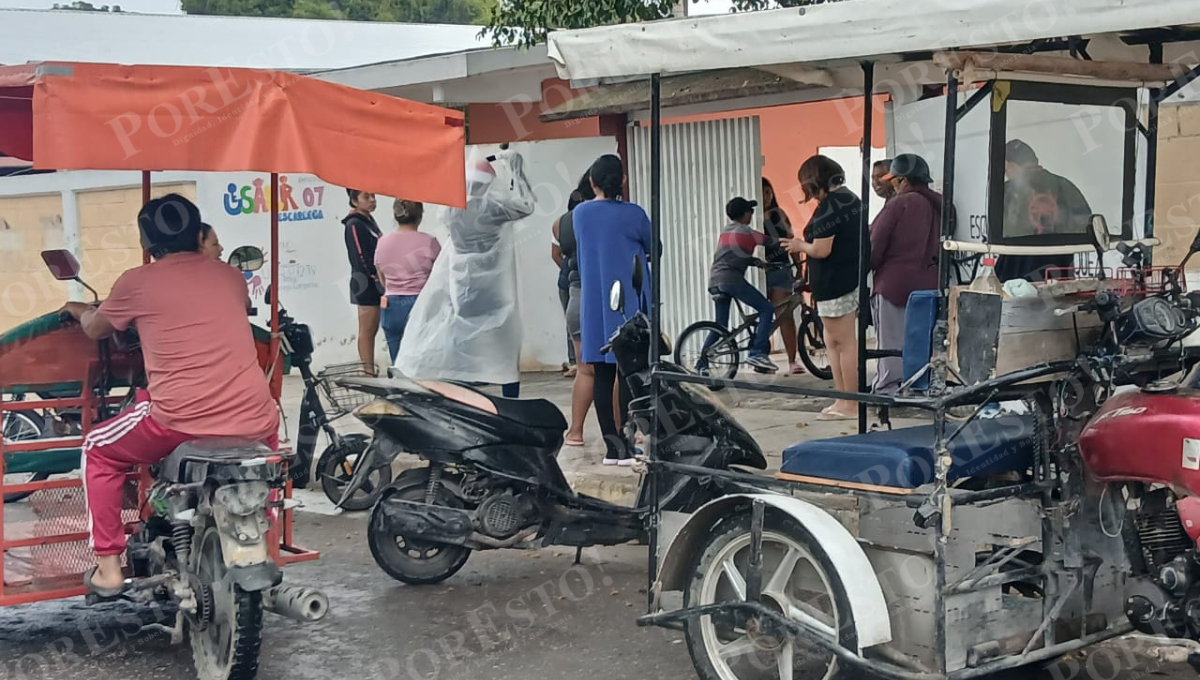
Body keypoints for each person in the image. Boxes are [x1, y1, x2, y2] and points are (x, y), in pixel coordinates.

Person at [61, 194, 279, 596]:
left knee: (96, 447)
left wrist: (77, 310)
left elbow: (95, 328)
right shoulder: (230, 277)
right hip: (256, 417)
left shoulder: (135, 282)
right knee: (264, 450)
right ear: (198, 235)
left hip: (177, 421)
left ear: (147, 245)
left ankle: (108, 568)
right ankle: (263, 539)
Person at [397, 149, 536, 399]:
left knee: (462, 343)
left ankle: (462, 393)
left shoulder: (450, 211)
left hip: (462, 285)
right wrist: (515, 170)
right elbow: (526, 205)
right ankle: (509, 397)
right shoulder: (491, 208)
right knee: (503, 346)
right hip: (495, 288)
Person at [574, 154, 653, 466]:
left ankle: (612, 447)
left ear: (593, 182)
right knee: (629, 372)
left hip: (594, 303)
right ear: (622, 181)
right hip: (628, 302)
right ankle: (631, 437)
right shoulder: (635, 214)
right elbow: (652, 247)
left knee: (602, 374)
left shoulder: (581, 214)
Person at [782, 155, 863, 420]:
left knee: (842, 343)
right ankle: (843, 399)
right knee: (835, 341)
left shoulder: (833, 205)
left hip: (837, 283)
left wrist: (798, 245)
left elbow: (820, 248)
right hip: (842, 281)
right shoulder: (848, 200)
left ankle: (850, 403)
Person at [869, 154, 941, 395]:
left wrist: (866, 267)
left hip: (893, 284)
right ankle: (918, 385)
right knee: (919, 341)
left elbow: (875, 243)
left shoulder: (899, 204)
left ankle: (887, 389)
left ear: (902, 180)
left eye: (893, 181)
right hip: (928, 284)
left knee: (890, 342)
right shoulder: (941, 204)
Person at [701, 197, 779, 374]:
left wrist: (756, 262)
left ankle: (702, 364)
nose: (751, 214)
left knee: (720, 326)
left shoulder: (726, 232)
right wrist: (793, 242)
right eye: (750, 211)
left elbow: (732, 256)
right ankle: (758, 352)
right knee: (767, 309)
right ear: (744, 214)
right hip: (731, 280)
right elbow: (770, 241)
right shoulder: (746, 232)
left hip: (715, 281)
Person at [996, 139, 1088, 282]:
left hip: (1016, 280)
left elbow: (996, 234)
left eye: (1006, 169)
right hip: (1059, 276)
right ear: (1036, 160)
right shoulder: (1066, 186)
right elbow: (1086, 227)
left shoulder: (1006, 191)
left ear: (1009, 165)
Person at [554, 185, 595, 447]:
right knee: (613, 371)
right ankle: (620, 437)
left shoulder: (561, 224)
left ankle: (576, 432)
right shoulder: (599, 218)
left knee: (585, 370)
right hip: (602, 294)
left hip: (574, 291)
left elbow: (557, 254)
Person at [375, 199, 440, 363]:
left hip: (390, 304)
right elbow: (439, 276)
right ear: (420, 215)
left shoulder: (382, 242)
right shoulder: (429, 242)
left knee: (397, 362)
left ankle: (400, 387)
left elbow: (382, 277)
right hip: (420, 303)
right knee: (424, 360)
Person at [761, 178, 803, 375]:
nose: (766, 197)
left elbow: (790, 241)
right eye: (762, 193)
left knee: (784, 316)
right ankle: (762, 358)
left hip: (779, 270)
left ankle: (792, 360)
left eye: (768, 192)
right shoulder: (750, 217)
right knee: (762, 317)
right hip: (759, 271)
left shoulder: (779, 215)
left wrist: (798, 268)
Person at [343, 189, 383, 376]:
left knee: (374, 329)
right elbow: (360, 257)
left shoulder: (369, 221)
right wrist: (375, 278)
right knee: (366, 330)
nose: (372, 200)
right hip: (364, 282)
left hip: (376, 281)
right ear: (354, 200)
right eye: (366, 197)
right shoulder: (354, 224)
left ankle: (370, 368)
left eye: (373, 196)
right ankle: (368, 371)